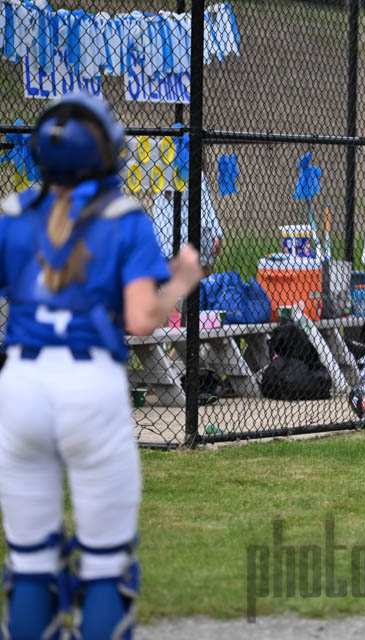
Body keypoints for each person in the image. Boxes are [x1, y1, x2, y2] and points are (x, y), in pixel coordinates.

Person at [0, 93, 203, 638]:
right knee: (106, 564)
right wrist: (180, 282)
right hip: (89, 386)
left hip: (20, 384)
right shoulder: (122, 217)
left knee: (30, 564)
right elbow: (141, 319)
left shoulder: (14, 213)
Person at [151, 171, 224, 276]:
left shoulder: (194, 173)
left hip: (188, 239)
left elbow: (205, 203)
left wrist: (215, 232)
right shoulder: (159, 169)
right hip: (168, 238)